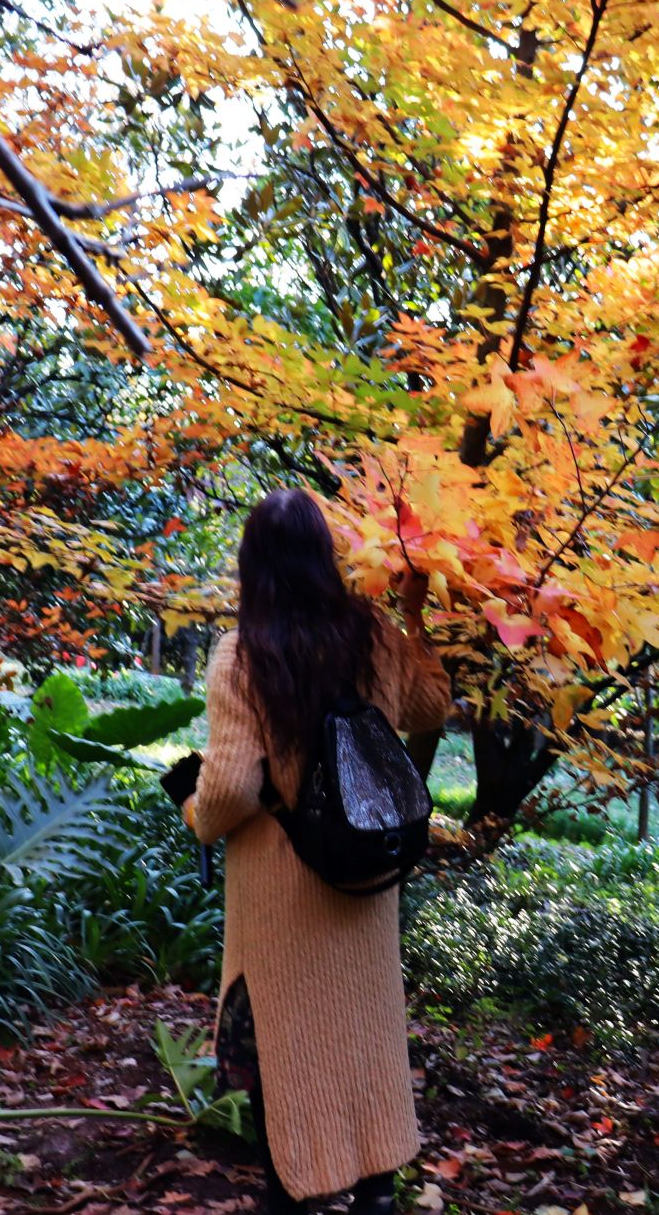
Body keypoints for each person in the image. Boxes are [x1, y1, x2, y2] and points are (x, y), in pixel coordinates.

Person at [181, 488, 450, 1213]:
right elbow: (433, 706)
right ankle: (377, 1193)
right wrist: (413, 616)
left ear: (254, 564)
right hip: (364, 880)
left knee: (284, 1045)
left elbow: (231, 788)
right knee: (365, 1036)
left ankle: (289, 1195)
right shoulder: (373, 634)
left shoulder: (243, 655)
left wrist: (193, 812)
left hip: (283, 896)